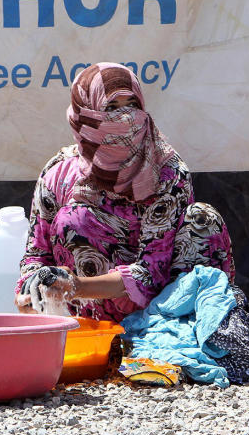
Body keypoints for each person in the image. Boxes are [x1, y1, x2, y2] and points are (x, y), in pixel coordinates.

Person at [14, 62, 235, 322]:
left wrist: (77, 285)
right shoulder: (58, 174)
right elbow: (36, 254)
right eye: (110, 108)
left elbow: (151, 271)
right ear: (83, 116)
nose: (126, 118)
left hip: (159, 309)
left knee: (203, 220)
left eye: (132, 105)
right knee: (74, 218)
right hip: (84, 315)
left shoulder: (166, 172)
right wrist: (31, 290)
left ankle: (186, 332)